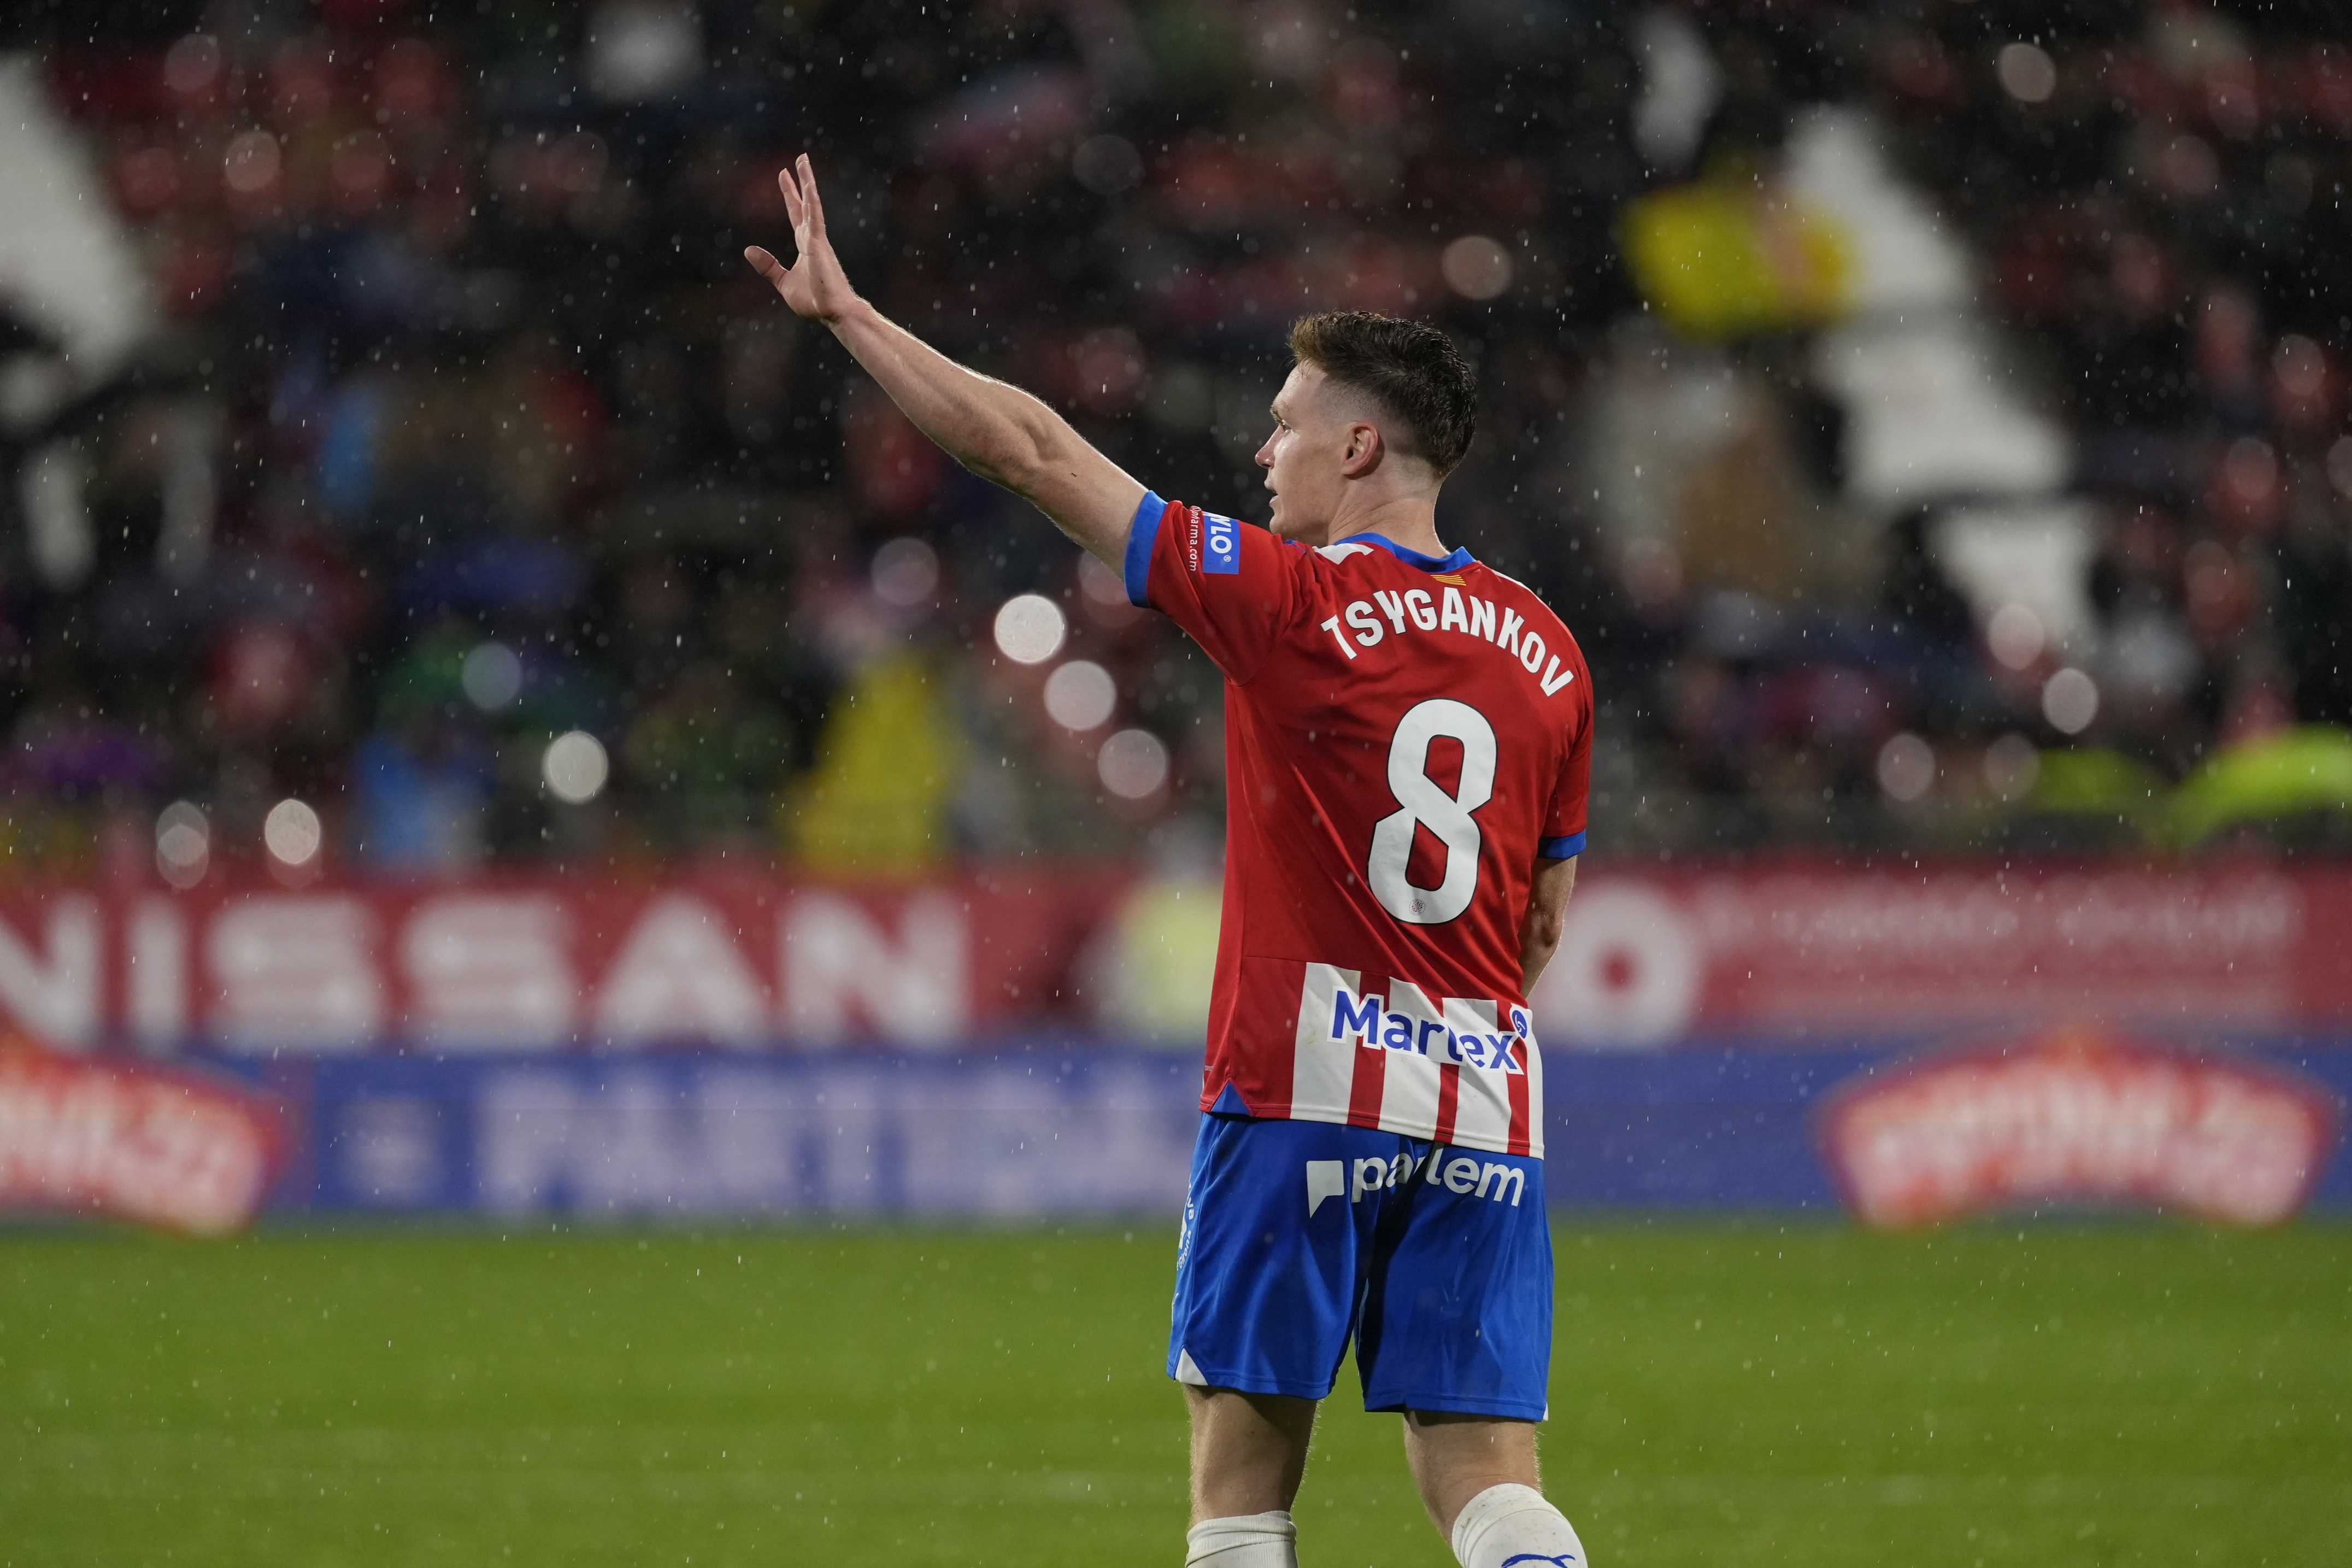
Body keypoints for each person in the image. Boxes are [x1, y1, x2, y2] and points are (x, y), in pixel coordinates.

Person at [748, 155, 1594, 1568]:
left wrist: (853, 318)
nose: (1266, 453)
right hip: (1484, 1098)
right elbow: (1542, 923)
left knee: (1241, 1492)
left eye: (1287, 426)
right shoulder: (1551, 651)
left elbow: (1030, 451)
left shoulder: (1290, 601)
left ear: (1360, 449)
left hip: (1299, 1087)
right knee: (1484, 1478)